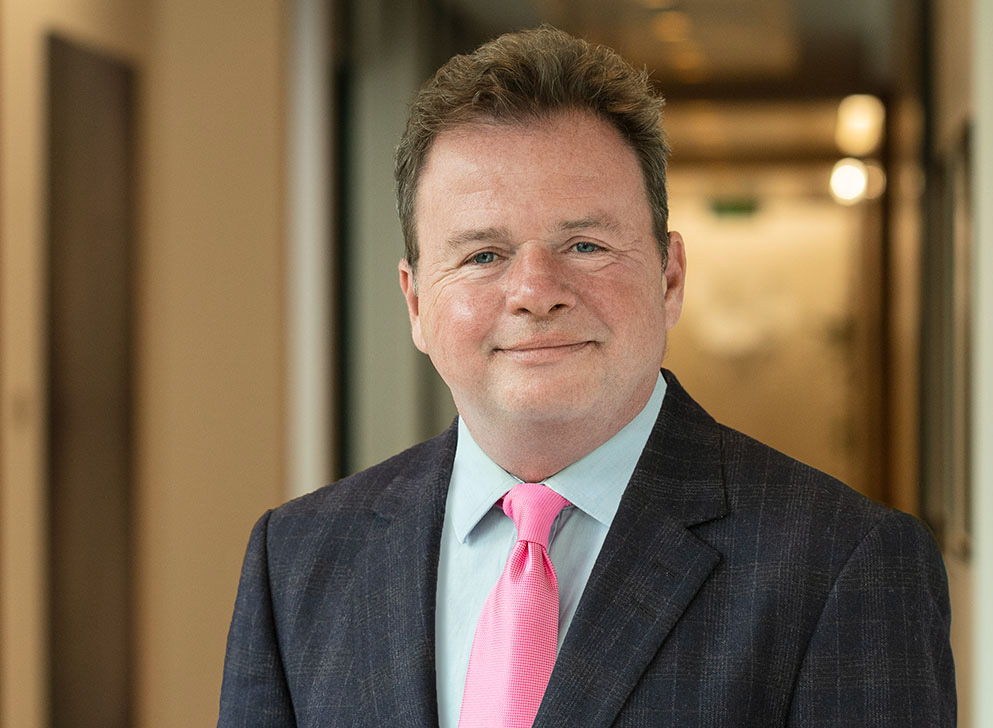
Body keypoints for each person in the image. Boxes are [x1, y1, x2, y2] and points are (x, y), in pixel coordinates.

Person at [218, 26, 955, 727]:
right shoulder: (297, 561)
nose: (536, 292)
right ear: (416, 303)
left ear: (669, 277)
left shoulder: (844, 564)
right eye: (483, 255)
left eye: (585, 244)